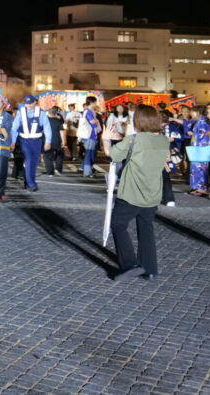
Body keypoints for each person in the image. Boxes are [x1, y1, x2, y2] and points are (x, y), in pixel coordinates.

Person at [108, 105, 168, 282]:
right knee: (146, 229)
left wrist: (106, 139)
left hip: (132, 192)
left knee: (118, 224)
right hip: (152, 192)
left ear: (138, 121)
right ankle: (150, 270)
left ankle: (130, 264)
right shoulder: (164, 141)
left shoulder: (134, 140)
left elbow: (113, 155)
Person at [10, 95, 51, 192]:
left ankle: (27, 182)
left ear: (35, 102)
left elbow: (47, 128)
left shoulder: (42, 113)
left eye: (30, 103)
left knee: (34, 162)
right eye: (26, 103)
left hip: (36, 141)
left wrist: (48, 141)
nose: (28, 105)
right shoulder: (21, 113)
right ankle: (31, 184)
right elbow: (14, 128)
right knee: (28, 161)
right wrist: (13, 141)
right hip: (24, 141)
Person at [187, 105, 210, 197]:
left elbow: (203, 136)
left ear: (197, 112)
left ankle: (201, 189)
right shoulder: (201, 122)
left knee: (200, 169)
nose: (190, 113)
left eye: (192, 111)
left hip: (200, 149)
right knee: (198, 169)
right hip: (200, 148)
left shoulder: (202, 122)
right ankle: (198, 188)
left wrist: (193, 134)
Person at [78, 96, 102, 177]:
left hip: (90, 136)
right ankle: (87, 172)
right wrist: (97, 120)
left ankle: (84, 168)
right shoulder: (88, 111)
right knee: (89, 154)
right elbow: (92, 121)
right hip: (89, 136)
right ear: (91, 102)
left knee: (90, 154)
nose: (96, 104)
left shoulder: (89, 111)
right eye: (95, 102)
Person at [43, 106, 66, 177]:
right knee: (59, 155)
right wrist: (64, 141)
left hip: (47, 141)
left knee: (47, 156)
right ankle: (58, 169)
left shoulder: (45, 121)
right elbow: (62, 132)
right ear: (56, 113)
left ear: (48, 113)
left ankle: (50, 172)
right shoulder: (59, 121)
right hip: (57, 140)